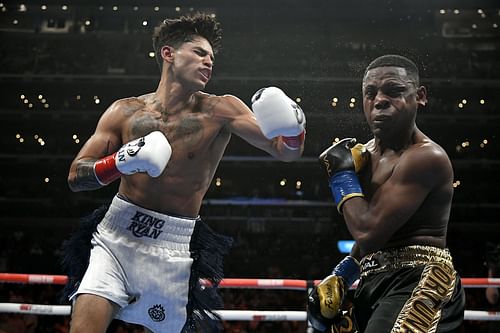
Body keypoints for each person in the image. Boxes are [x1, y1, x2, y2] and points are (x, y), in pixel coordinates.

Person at [63, 13, 305, 333]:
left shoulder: (221, 109)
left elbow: (284, 151)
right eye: (199, 52)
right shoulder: (124, 111)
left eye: (212, 57)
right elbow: (75, 176)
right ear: (169, 54)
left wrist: (294, 130)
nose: (209, 62)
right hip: (116, 236)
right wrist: (118, 163)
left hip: (173, 245)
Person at [307, 54, 465, 332]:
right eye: (370, 93)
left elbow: (368, 232)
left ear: (420, 97)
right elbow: (374, 234)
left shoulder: (426, 157)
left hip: (420, 279)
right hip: (373, 280)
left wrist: (342, 177)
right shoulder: (365, 155)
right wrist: (342, 275)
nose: (379, 100)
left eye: (393, 91)